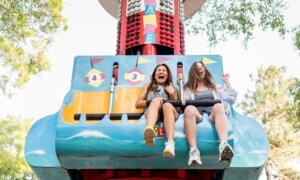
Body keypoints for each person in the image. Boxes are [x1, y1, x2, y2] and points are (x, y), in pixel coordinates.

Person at [182, 61, 237, 166]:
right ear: (193, 72)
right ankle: (194, 151)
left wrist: (227, 82)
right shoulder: (188, 89)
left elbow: (231, 99)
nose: (201, 68)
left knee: (219, 105)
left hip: (212, 113)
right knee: (188, 109)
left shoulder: (214, 87)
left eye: (202, 67)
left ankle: (223, 145)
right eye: (198, 67)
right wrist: (181, 86)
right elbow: (183, 102)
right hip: (197, 114)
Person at [135, 64, 179, 158]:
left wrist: (172, 94)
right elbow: (138, 104)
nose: (161, 72)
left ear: (168, 75)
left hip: (169, 112)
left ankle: (170, 143)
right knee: (155, 100)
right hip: (153, 112)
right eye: (159, 70)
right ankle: (149, 130)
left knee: (167, 105)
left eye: (164, 70)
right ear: (154, 74)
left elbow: (177, 109)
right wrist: (155, 101)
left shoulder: (172, 88)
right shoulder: (148, 86)